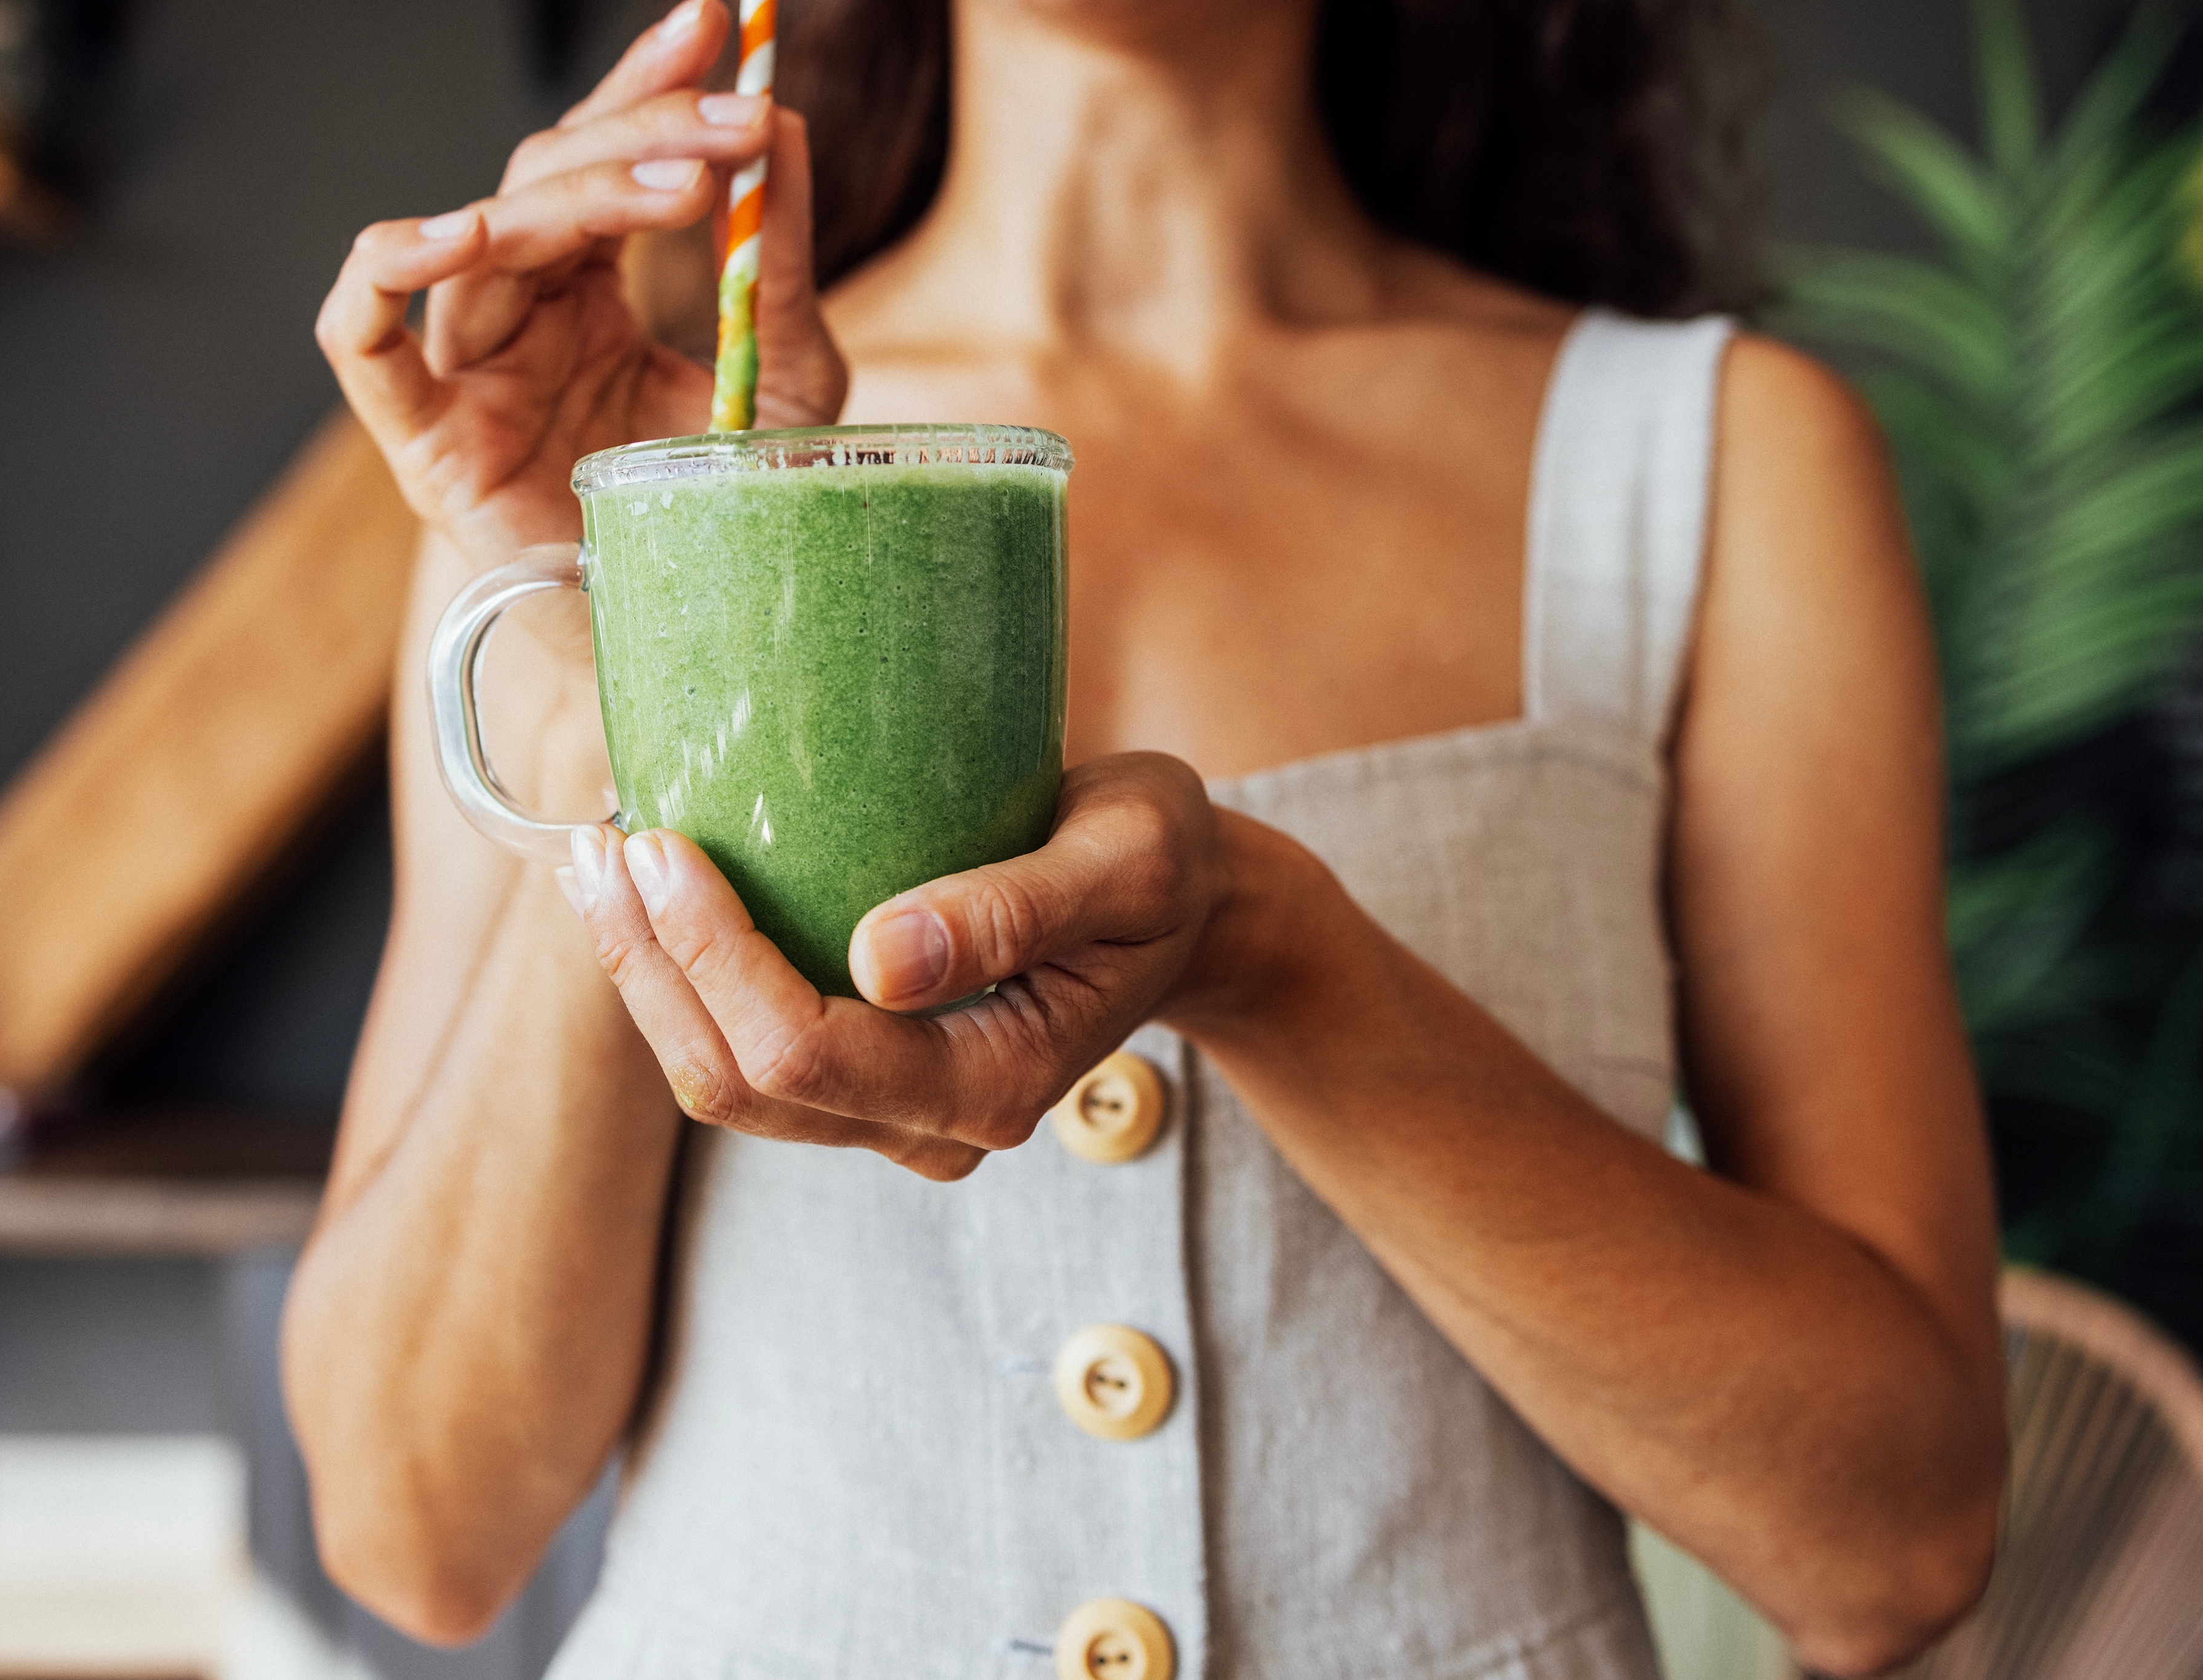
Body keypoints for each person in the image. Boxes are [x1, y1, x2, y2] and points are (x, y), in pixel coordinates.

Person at [286, 0, 2009, 1673]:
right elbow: (417, 1533)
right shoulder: (616, 476)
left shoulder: (1715, 464)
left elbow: (1893, 1547)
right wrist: (647, 665)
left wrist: (1275, 955)